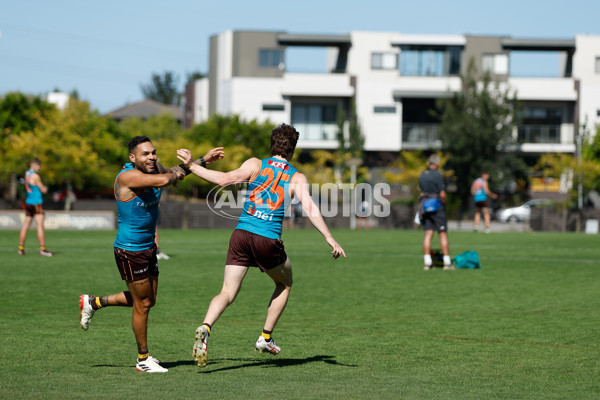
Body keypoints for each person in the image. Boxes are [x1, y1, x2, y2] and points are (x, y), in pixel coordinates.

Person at [176, 123, 346, 368]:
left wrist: (191, 166)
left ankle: (205, 326)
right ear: (293, 150)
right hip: (267, 239)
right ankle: (265, 337)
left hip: (241, 235)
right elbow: (309, 207)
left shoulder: (255, 163)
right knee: (285, 283)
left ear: (272, 145)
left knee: (227, 292)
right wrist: (329, 237)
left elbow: (225, 179)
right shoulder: (296, 176)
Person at [78, 135, 224, 374]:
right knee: (143, 304)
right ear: (132, 157)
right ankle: (142, 359)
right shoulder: (127, 177)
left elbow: (173, 171)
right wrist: (189, 168)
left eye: (153, 152)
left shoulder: (153, 169)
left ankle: (93, 303)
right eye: (145, 154)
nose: (152, 157)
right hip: (130, 250)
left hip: (147, 248)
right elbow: (167, 178)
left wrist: (202, 161)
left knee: (148, 300)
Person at [418, 154, 452, 270]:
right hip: (437, 207)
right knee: (442, 233)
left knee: (428, 234)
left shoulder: (423, 174)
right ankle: (447, 263)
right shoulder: (438, 175)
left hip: (425, 206)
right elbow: (442, 194)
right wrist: (444, 203)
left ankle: (427, 262)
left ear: (428, 163)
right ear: (437, 164)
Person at [18, 158, 54, 256]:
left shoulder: (27, 173)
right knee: (40, 226)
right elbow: (43, 189)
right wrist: (45, 188)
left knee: (25, 225)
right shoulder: (35, 176)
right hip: (36, 203)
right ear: (33, 164)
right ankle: (43, 249)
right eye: (38, 165)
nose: (39, 168)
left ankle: (20, 248)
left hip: (28, 202)